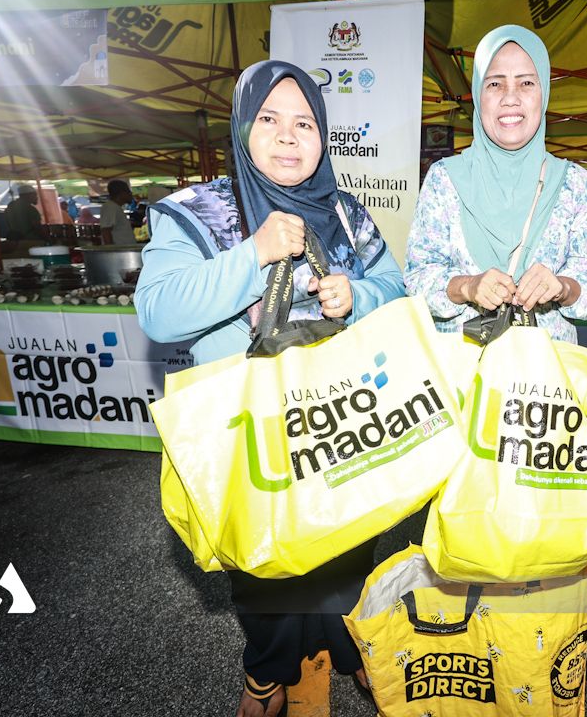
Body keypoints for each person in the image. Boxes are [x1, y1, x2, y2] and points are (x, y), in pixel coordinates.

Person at [136, 59, 404, 717]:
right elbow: (159, 311)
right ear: (242, 129)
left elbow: (397, 292)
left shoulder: (344, 214)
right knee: (261, 572)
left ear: (322, 137)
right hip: (246, 435)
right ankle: (266, 674)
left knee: (347, 557)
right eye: (271, 120)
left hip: (339, 428)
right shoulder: (197, 212)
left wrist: (357, 294)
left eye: (305, 122)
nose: (289, 137)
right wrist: (250, 254)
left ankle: (354, 651)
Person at [405, 25, 587, 342]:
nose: (511, 98)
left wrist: (562, 286)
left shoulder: (573, 184)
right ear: (477, 95)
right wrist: (468, 286)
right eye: (495, 84)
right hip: (459, 378)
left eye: (526, 82)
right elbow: (417, 278)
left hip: (543, 381)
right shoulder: (445, 179)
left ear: (544, 93)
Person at [100, 179, 136, 245]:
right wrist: (111, 252)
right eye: (128, 192)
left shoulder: (115, 207)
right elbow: (106, 231)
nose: (131, 194)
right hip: (118, 253)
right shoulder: (110, 207)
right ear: (122, 193)